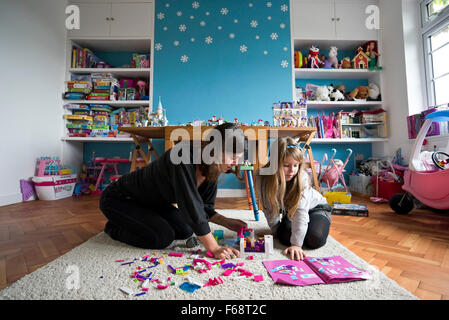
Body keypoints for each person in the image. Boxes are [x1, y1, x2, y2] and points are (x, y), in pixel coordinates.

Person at [99, 123, 247, 260]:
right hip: (119, 199)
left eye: (238, 159)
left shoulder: (213, 168)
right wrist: (214, 247)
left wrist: (226, 222)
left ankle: (135, 221)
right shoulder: (182, 156)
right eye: (233, 157)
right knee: (162, 237)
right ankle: (113, 228)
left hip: (152, 203)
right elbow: (190, 206)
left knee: (186, 229)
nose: (235, 164)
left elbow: (204, 208)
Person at [255, 137, 332, 261]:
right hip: (290, 211)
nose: (292, 171)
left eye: (296, 165)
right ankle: (294, 230)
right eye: (286, 165)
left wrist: (296, 245)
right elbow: (269, 207)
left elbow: (301, 212)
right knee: (284, 238)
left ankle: (319, 223)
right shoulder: (262, 176)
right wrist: (276, 230)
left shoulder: (302, 178)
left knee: (315, 239)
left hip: (316, 209)